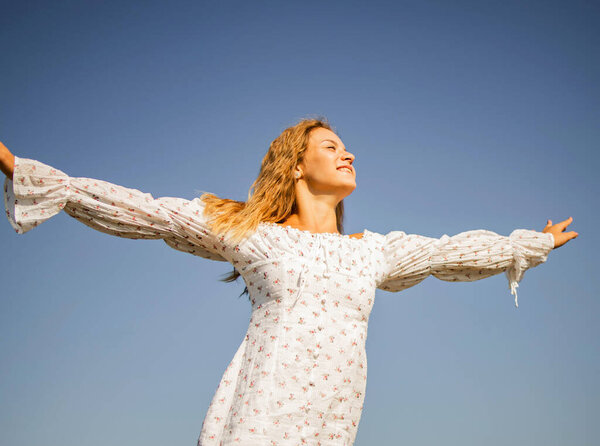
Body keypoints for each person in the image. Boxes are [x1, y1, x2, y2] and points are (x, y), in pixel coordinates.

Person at [0, 118, 578, 445]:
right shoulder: (254, 234)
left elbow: (449, 252)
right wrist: (18, 167)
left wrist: (533, 243)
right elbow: (151, 213)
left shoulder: (373, 252)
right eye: (332, 147)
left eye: (348, 147)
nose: (348, 154)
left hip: (332, 421)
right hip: (259, 413)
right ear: (297, 166)